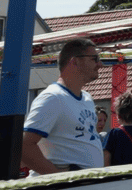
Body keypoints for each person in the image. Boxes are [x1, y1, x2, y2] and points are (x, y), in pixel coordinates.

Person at [22, 38, 105, 174]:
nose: (100, 64)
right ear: (75, 61)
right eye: (94, 59)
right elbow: (24, 146)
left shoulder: (87, 98)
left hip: (85, 184)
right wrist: (60, 179)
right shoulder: (53, 98)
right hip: (62, 186)